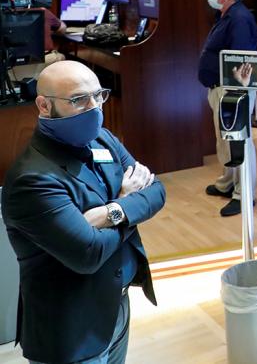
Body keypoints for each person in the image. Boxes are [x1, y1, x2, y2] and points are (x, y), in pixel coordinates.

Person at [1, 61, 166, 364]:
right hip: (71, 329)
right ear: (44, 105)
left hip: (115, 305)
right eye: (79, 100)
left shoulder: (102, 138)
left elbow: (156, 191)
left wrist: (112, 210)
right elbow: (87, 253)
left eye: (98, 96)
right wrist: (130, 202)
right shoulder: (32, 179)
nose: (94, 108)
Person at [198, 0, 257, 217]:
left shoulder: (241, 19)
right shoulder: (224, 15)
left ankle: (243, 194)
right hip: (218, 87)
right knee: (224, 141)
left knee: (238, 142)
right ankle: (228, 183)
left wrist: (235, 95)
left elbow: (242, 59)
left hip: (234, 90)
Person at [9, 7, 67, 81]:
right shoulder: (42, 10)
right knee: (61, 57)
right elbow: (62, 29)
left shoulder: (5, 13)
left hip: (13, 64)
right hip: (45, 63)